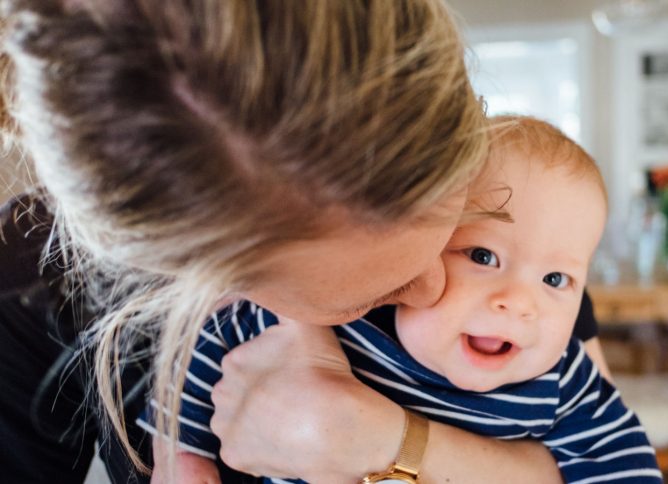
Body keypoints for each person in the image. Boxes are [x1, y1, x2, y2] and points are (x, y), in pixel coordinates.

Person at [0, 1, 607, 482]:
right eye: (369, 295)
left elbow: (602, 457)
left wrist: (387, 442)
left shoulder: (519, 230)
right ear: (202, 281)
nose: (433, 288)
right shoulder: (24, 286)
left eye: (455, 231)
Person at [147, 116, 661, 484]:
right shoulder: (348, 315)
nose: (519, 301)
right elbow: (206, 349)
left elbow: (623, 465)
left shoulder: (561, 379)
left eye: (555, 280)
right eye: (482, 256)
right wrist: (183, 461)